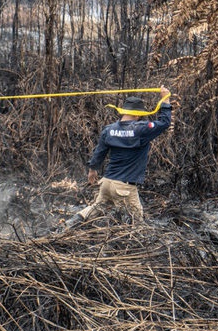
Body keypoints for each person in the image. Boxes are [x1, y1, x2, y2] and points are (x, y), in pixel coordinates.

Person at [65, 87, 174, 228]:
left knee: (97, 207)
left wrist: (92, 170)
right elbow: (165, 122)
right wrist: (165, 99)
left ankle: (71, 223)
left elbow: (99, 152)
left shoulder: (109, 130)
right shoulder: (141, 129)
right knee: (138, 224)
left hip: (107, 182)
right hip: (124, 187)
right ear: (137, 115)